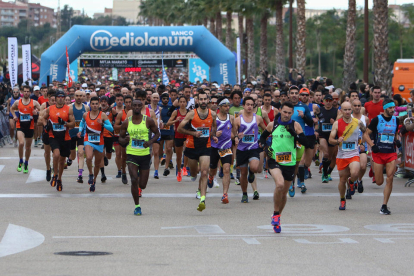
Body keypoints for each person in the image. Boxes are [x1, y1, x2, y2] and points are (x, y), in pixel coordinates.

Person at [259, 101, 309, 233]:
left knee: (284, 193)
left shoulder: (296, 125)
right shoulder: (273, 124)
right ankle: (275, 213)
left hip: (290, 162)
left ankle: (278, 216)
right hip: (275, 160)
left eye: (289, 113)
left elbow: (306, 142)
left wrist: (295, 134)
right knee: (279, 185)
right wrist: (266, 148)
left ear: (292, 113)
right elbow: (262, 138)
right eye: (285, 112)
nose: (286, 115)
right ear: (280, 110)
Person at [119, 99, 160, 215]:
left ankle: (138, 180)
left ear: (141, 107)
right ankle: (137, 206)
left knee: (142, 185)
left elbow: (157, 133)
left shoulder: (148, 120)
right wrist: (124, 140)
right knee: (133, 180)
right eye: (134, 105)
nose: (136, 107)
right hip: (131, 154)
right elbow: (120, 138)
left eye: (139, 105)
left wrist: (150, 141)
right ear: (131, 107)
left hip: (145, 155)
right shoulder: (127, 122)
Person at [177, 91, 217, 212]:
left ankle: (203, 198)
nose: (203, 101)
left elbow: (214, 126)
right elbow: (179, 129)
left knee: (204, 172)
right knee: (194, 173)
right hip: (192, 147)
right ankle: (193, 175)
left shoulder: (213, 114)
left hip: (206, 146)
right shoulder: (191, 114)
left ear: (208, 100)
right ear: (197, 101)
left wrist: (213, 134)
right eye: (201, 99)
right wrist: (193, 133)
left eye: (205, 99)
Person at [364, 99, 400, 215]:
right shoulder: (376, 120)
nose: (392, 110)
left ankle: (384, 206)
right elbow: (366, 134)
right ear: (385, 108)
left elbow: (395, 134)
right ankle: (374, 173)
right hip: (378, 153)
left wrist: (397, 141)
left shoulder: (396, 120)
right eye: (390, 108)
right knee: (379, 182)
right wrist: (372, 145)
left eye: (393, 108)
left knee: (390, 178)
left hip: (390, 153)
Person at [329, 102, 367, 210]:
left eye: (349, 109)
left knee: (355, 172)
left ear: (352, 110)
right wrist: (337, 140)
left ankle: (351, 182)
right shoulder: (337, 123)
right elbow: (330, 139)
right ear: (341, 111)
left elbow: (366, 132)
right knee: (342, 179)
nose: (347, 112)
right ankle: (342, 199)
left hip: (354, 153)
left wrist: (363, 143)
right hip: (342, 155)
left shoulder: (358, 122)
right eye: (345, 110)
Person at [233, 97, 267, 203]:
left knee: (254, 167)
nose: (249, 107)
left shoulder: (258, 118)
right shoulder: (238, 119)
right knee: (243, 173)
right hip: (242, 149)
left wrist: (262, 140)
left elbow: (266, 130)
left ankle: (251, 173)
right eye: (247, 104)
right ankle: (244, 193)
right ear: (243, 106)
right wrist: (237, 136)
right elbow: (233, 135)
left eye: (252, 105)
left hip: (253, 148)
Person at [77, 96, 114, 192]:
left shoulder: (103, 115)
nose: (94, 105)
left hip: (99, 141)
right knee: (89, 157)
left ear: (99, 104)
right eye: (92, 104)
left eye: (96, 104)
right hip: (88, 139)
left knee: (97, 163)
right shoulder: (86, 114)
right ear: (90, 105)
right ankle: (90, 173)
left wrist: (102, 124)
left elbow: (111, 128)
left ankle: (93, 181)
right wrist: (80, 131)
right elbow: (82, 123)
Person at [43, 91, 75, 191]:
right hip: (53, 136)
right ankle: (55, 174)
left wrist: (65, 123)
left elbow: (73, 124)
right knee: (56, 155)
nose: (61, 98)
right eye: (59, 97)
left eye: (62, 97)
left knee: (62, 161)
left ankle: (59, 179)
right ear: (55, 98)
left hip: (65, 138)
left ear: (64, 99)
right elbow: (43, 118)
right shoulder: (50, 108)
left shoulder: (68, 109)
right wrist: (46, 126)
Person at [208, 96, 234, 203]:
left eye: (228, 105)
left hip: (226, 147)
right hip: (215, 147)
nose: (227, 108)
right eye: (225, 106)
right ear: (220, 107)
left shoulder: (231, 118)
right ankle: (211, 177)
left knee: (226, 169)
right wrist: (214, 134)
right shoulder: (214, 118)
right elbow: (208, 133)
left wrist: (236, 137)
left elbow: (235, 131)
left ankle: (225, 194)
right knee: (213, 168)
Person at [11, 85, 41, 173]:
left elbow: (42, 110)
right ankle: (21, 161)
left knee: (28, 147)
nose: (26, 93)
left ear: (30, 92)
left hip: (30, 126)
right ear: (22, 92)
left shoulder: (34, 102)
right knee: (21, 143)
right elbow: (12, 109)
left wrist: (37, 112)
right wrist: (14, 116)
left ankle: (26, 162)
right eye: (25, 91)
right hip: (20, 125)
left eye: (28, 91)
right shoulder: (18, 102)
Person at [68, 90, 89, 183]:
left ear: (83, 97)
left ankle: (80, 175)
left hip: (82, 135)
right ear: (74, 97)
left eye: (81, 95)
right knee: (72, 156)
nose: (79, 97)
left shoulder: (86, 108)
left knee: (81, 153)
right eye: (77, 96)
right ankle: (69, 158)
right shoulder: (69, 107)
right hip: (71, 134)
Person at [364, 86, 384, 183]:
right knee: (373, 153)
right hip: (372, 131)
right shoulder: (367, 104)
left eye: (378, 92)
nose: (377, 94)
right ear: (371, 93)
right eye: (375, 92)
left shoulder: (383, 104)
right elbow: (364, 116)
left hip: (382, 131)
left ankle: (374, 169)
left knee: (381, 153)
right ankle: (375, 174)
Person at [318, 94, 339, 183]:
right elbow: (314, 119)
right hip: (322, 135)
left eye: (330, 101)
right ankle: (324, 173)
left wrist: (334, 122)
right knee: (326, 154)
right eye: (327, 100)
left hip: (332, 136)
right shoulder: (320, 110)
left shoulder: (336, 111)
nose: (328, 102)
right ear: (324, 101)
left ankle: (325, 171)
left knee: (330, 157)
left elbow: (339, 123)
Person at [166, 96, 188, 182]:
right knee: (179, 156)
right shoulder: (176, 112)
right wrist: (176, 121)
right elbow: (168, 123)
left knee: (186, 151)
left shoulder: (189, 112)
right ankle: (179, 171)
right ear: (178, 103)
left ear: (186, 103)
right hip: (178, 135)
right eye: (181, 102)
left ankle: (185, 167)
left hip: (186, 135)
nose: (182, 103)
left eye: (184, 102)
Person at [114, 95, 133, 184]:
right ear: (124, 103)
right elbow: (115, 126)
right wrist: (124, 126)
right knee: (123, 156)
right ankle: (124, 172)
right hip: (124, 137)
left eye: (130, 102)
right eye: (127, 102)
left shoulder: (136, 112)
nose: (128, 104)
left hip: (134, 137)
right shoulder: (121, 113)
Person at [351, 99, 369, 193]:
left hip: (361, 144)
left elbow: (366, 132)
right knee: (351, 168)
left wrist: (362, 143)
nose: (357, 107)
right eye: (355, 106)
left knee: (363, 166)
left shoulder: (365, 118)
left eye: (359, 106)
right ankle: (351, 183)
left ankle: (359, 180)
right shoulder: (348, 117)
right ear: (352, 107)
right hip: (350, 146)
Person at [38, 90, 56, 181]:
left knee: (56, 152)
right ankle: (48, 169)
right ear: (48, 98)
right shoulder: (44, 106)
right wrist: (46, 123)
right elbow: (39, 120)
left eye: (55, 99)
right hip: (47, 131)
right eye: (52, 99)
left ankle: (54, 168)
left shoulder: (60, 106)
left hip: (57, 132)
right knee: (47, 152)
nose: (54, 102)